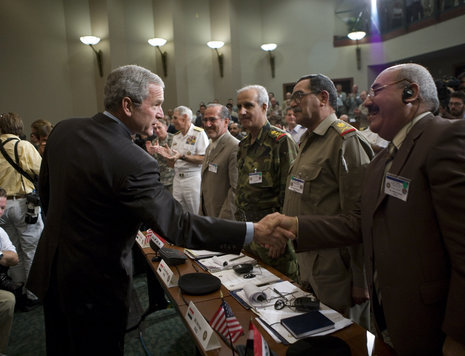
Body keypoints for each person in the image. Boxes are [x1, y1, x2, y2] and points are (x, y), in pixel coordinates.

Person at [25, 65, 286, 356]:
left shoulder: (64, 130)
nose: (162, 114)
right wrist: (253, 231)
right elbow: (179, 226)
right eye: (157, 104)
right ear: (127, 105)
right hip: (95, 287)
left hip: (53, 272)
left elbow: (47, 197)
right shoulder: (133, 159)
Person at [263, 63, 465, 355]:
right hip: (396, 319)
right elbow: (359, 224)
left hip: (441, 326)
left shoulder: (451, 136)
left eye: (377, 91)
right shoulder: (384, 159)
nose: (367, 101)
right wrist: (296, 225)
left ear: (411, 93)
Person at [284, 74, 373, 328]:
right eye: (291, 98)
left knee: (345, 340)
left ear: (323, 98)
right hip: (308, 261)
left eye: (299, 96)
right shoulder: (308, 140)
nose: (292, 104)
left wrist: (361, 280)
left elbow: (361, 217)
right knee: (319, 338)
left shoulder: (347, 141)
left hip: (338, 269)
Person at [235, 85, 299, 280]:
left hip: (273, 240)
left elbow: (290, 195)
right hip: (250, 235)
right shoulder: (244, 145)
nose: (242, 112)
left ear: (264, 107)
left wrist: (280, 237)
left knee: (282, 295)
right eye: (238, 107)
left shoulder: (280, 142)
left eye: (248, 105)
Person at [0, 112, 43, 309]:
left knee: (12, 251)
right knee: (31, 248)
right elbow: (41, 170)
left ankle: (18, 292)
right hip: (23, 204)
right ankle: (34, 294)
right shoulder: (22, 146)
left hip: (2, 206)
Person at [159, 106, 209, 213]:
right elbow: (172, 164)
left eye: (175, 118)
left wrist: (182, 156)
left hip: (192, 179)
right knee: (178, 213)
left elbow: (204, 159)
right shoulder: (176, 136)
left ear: (185, 117)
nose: (172, 121)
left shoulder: (198, 133)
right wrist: (167, 155)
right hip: (177, 178)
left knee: (196, 213)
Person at [199, 104, 239, 219]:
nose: (207, 124)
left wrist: (222, 221)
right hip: (208, 215)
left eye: (212, 120)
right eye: (205, 120)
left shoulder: (234, 147)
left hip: (222, 219)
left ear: (226, 122)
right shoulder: (210, 145)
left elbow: (235, 191)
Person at [0, 188, 19, 353]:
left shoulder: (0, 232)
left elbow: (14, 258)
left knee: (8, 300)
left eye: (1, 208)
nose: (0, 212)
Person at [145, 118, 175, 194]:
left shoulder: (174, 139)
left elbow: (176, 161)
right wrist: (149, 154)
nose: (157, 131)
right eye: (155, 128)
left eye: (159, 128)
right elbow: (154, 162)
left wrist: (164, 153)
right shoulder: (155, 141)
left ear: (166, 127)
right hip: (160, 179)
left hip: (172, 179)